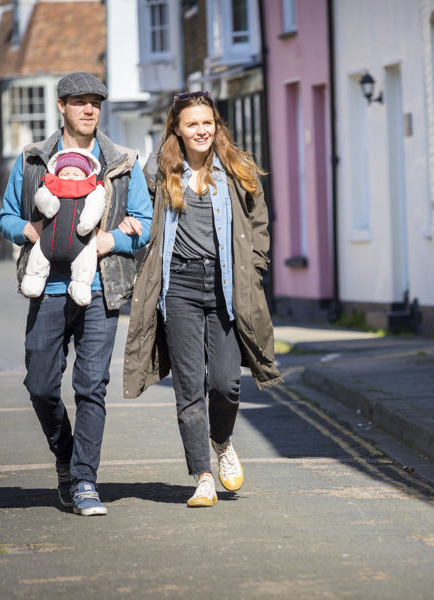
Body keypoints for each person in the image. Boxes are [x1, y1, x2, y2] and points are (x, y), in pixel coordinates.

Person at [0, 72, 153, 516]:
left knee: (91, 388)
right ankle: (66, 456)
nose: (89, 110)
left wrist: (113, 241)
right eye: (80, 102)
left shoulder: (122, 161)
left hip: (101, 288)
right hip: (46, 288)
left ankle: (85, 481)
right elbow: (6, 214)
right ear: (61, 106)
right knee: (41, 384)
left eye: (96, 103)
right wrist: (25, 229)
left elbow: (143, 221)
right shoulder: (32, 160)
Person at [123, 90, 282, 507]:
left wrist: (256, 268)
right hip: (179, 287)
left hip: (226, 286)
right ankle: (203, 476)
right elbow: (138, 215)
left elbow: (258, 220)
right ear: (176, 127)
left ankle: (222, 440)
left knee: (226, 384)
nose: (201, 130)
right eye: (192, 123)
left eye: (207, 122)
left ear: (217, 124)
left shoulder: (235, 166)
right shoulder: (159, 171)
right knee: (189, 385)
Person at [21, 148, 107, 306]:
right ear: (57, 173)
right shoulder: (49, 186)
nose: (70, 178)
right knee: (38, 257)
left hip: (81, 243)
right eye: (65, 173)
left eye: (76, 174)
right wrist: (48, 205)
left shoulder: (93, 189)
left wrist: (88, 222)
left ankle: (80, 285)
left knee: (85, 262)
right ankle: (34, 278)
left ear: (85, 174)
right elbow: (41, 197)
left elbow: (96, 204)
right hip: (47, 241)